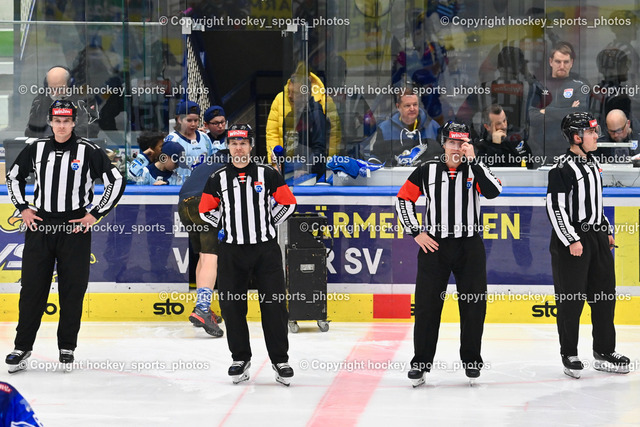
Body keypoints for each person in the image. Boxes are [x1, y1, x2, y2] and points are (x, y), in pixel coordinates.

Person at [5, 100, 125, 373]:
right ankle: (22, 347)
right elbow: (13, 177)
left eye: (66, 121)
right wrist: (23, 208)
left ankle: (67, 347)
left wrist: (95, 214)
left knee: (72, 290)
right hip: (41, 227)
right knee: (32, 289)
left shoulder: (88, 150)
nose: (61, 126)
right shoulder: (36, 148)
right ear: (50, 122)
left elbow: (116, 180)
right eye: (57, 121)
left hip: (75, 228)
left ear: (73, 123)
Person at [396, 121, 502, 387]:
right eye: (452, 142)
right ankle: (420, 363)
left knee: (473, 305)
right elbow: (403, 199)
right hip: (435, 246)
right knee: (427, 306)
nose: (457, 148)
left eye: (462, 143)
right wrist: (416, 232)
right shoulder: (427, 170)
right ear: (444, 144)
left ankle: (472, 361)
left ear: (469, 145)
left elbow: (494, 191)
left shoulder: (475, 169)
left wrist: (474, 161)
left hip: (469, 246)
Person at [199, 123, 297, 386]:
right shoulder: (217, 178)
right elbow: (205, 210)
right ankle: (240, 358)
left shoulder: (268, 174)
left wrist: (269, 222)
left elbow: (288, 203)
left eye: (243, 143)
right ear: (228, 147)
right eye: (233, 143)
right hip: (232, 252)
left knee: (274, 306)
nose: (238, 148)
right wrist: (225, 224)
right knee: (232, 307)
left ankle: (280, 360)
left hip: (266, 251)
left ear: (251, 146)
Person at [546, 112, 630, 379]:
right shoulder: (561, 168)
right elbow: (555, 207)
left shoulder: (593, 163)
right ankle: (569, 353)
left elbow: (596, 204)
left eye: (595, 131)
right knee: (571, 300)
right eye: (591, 132)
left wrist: (606, 229)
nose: (596, 136)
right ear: (576, 137)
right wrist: (572, 239)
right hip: (573, 240)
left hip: (596, 238)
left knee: (604, 297)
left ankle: (604, 351)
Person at [179, 149, 231, 338]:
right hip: (204, 203)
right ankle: (202, 308)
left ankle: (201, 307)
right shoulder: (228, 167)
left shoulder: (204, 166)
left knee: (203, 255)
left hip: (184, 205)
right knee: (211, 256)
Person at [529, 42, 590, 162]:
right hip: (541, 149)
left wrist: (546, 111)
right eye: (558, 61)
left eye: (566, 62)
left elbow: (580, 114)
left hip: (570, 149)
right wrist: (568, 110)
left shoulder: (579, 86)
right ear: (550, 62)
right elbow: (531, 117)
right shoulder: (539, 85)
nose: (562, 66)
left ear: (571, 63)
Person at [266, 72, 328, 182]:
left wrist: (307, 168)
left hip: (310, 176)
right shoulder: (291, 115)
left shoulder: (316, 114)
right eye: (289, 92)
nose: (289, 96)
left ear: (306, 94)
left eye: (294, 93)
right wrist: (277, 160)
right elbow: (289, 145)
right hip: (291, 172)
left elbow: (319, 148)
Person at [367, 89, 441, 166]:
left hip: (425, 173)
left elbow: (441, 156)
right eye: (407, 105)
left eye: (415, 104)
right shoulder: (385, 129)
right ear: (398, 107)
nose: (412, 108)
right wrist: (371, 166)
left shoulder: (433, 127)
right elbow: (377, 157)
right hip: (395, 174)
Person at [25, 66, 99, 138]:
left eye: (60, 89)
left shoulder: (84, 100)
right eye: (52, 89)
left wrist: (65, 138)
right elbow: (30, 131)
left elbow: (92, 126)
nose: (56, 93)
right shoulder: (40, 102)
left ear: (70, 85)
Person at [165, 100, 213, 183]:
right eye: (189, 120)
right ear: (179, 119)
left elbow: (211, 161)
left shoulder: (204, 137)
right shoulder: (172, 139)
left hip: (202, 186)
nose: (193, 124)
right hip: (178, 186)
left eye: (196, 120)